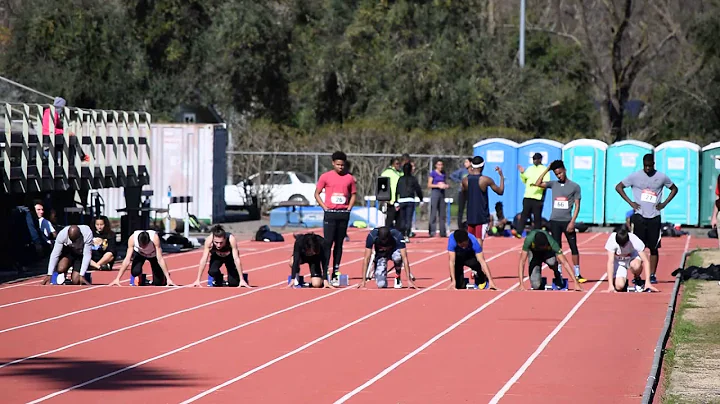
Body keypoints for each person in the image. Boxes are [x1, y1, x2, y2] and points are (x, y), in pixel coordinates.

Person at [615, 153, 678, 284]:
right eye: (645, 166)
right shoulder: (635, 176)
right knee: (637, 248)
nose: (647, 168)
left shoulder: (661, 177)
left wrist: (664, 204)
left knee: (654, 248)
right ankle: (637, 275)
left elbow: (674, 189)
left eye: (650, 166)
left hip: (654, 216)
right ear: (643, 164)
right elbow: (619, 187)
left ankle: (653, 275)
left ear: (653, 164)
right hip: (639, 216)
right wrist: (631, 203)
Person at [534, 160, 586, 283]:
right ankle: (559, 273)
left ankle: (577, 274)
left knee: (573, 247)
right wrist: (547, 169)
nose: (559, 176)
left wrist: (573, 222)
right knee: (557, 249)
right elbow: (537, 183)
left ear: (565, 170)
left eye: (560, 173)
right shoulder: (553, 184)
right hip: (554, 221)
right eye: (556, 174)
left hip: (567, 221)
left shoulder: (575, 186)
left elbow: (577, 205)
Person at [315, 151, 357, 282]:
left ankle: (336, 270)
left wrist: (349, 208)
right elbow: (317, 193)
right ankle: (325, 269)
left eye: (342, 165)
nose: (340, 167)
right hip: (330, 214)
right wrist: (325, 207)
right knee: (327, 243)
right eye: (338, 165)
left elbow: (354, 194)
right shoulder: (325, 177)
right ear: (333, 163)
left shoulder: (349, 178)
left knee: (339, 244)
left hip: (343, 214)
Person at [517, 229, 582, 291]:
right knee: (535, 286)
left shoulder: (552, 242)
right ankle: (539, 280)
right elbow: (522, 261)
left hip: (547, 253)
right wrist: (521, 284)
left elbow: (565, 262)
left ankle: (557, 273)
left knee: (552, 262)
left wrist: (576, 282)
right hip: (534, 255)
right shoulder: (529, 240)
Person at [461, 156, 504, 246]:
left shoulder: (465, 181)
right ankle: (477, 259)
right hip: (482, 216)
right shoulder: (485, 180)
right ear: (482, 166)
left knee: (470, 240)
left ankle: (472, 258)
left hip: (470, 215)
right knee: (479, 239)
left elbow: (464, 195)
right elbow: (500, 191)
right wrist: (501, 176)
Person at [603, 226, 659, 293]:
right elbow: (610, 262)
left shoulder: (634, 240)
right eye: (620, 245)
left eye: (624, 245)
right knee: (619, 286)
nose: (622, 247)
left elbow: (646, 261)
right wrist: (610, 286)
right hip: (619, 262)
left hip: (632, 258)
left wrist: (648, 282)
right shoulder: (612, 241)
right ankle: (624, 282)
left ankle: (637, 278)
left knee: (636, 266)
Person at [109, 230, 176, 286]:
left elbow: (160, 259)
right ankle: (141, 278)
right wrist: (117, 278)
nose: (143, 247)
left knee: (158, 283)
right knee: (135, 272)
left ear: (149, 241)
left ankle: (163, 276)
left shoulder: (155, 238)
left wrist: (168, 278)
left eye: (145, 246)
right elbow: (127, 260)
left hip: (153, 255)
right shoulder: (132, 239)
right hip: (140, 254)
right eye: (141, 246)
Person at [517, 153, 550, 232]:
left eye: (536, 159)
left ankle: (537, 234)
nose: (534, 161)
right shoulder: (530, 168)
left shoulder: (544, 169)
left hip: (538, 197)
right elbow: (525, 180)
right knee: (524, 215)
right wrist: (522, 173)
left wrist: (537, 185)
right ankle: (519, 232)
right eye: (533, 159)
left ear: (540, 160)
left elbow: (546, 183)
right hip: (528, 195)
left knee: (537, 217)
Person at [395, 162, 423, 242]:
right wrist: (421, 199)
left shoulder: (400, 179)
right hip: (410, 201)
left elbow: (397, 190)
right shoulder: (413, 179)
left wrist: (396, 201)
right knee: (408, 219)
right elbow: (418, 189)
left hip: (402, 200)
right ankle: (407, 235)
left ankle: (403, 235)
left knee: (402, 219)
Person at [428, 159, 449, 237]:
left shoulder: (443, 174)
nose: (440, 166)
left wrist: (445, 185)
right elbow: (429, 185)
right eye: (439, 165)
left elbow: (446, 183)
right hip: (435, 193)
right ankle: (432, 232)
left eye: (441, 165)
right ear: (436, 165)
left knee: (442, 214)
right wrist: (438, 185)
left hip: (442, 194)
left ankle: (442, 232)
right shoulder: (433, 173)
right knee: (433, 213)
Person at [380, 157, 403, 229]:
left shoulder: (401, 173)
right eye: (396, 164)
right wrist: (385, 198)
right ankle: (386, 234)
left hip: (400, 199)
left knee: (399, 220)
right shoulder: (386, 173)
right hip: (391, 200)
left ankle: (398, 235)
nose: (398, 165)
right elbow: (382, 186)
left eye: (399, 164)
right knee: (390, 219)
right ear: (392, 164)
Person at [450, 158, 472, 229]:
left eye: (466, 162)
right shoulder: (462, 171)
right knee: (460, 210)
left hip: (470, 192)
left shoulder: (473, 171)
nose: (465, 163)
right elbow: (452, 176)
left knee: (470, 209)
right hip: (462, 192)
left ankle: (469, 225)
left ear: (470, 163)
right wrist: (459, 181)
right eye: (464, 162)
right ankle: (460, 226)